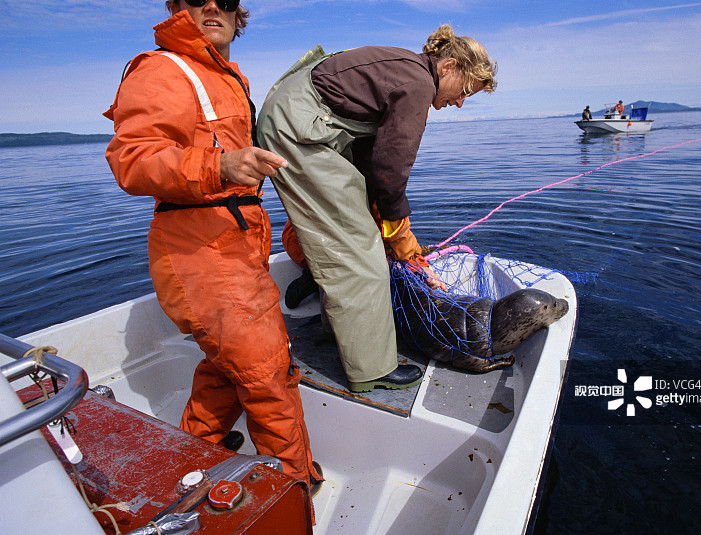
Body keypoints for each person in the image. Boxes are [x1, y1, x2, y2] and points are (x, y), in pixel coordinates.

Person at [103, 0, 322, 491]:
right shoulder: (162, 68)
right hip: (201, 248)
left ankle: (189, 459)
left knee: (228, 368)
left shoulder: (226, 76)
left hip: (239, 239)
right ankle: (291, 495)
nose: (211, 6)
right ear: (174, 6)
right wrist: (218, 166)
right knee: (268, 375)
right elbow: (132, 160)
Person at [256, 25, 497, 393]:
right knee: (361, 254)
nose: (460, 102)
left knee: (354, 231)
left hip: (295, 118)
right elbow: (391, 169)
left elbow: (371, 158)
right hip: (299, 129)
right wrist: (400, 234)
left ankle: (338, 333)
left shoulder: (403, 70)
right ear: (448, 67)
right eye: (464, 91)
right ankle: (370, 370)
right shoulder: (419, 83)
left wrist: (385, 218)